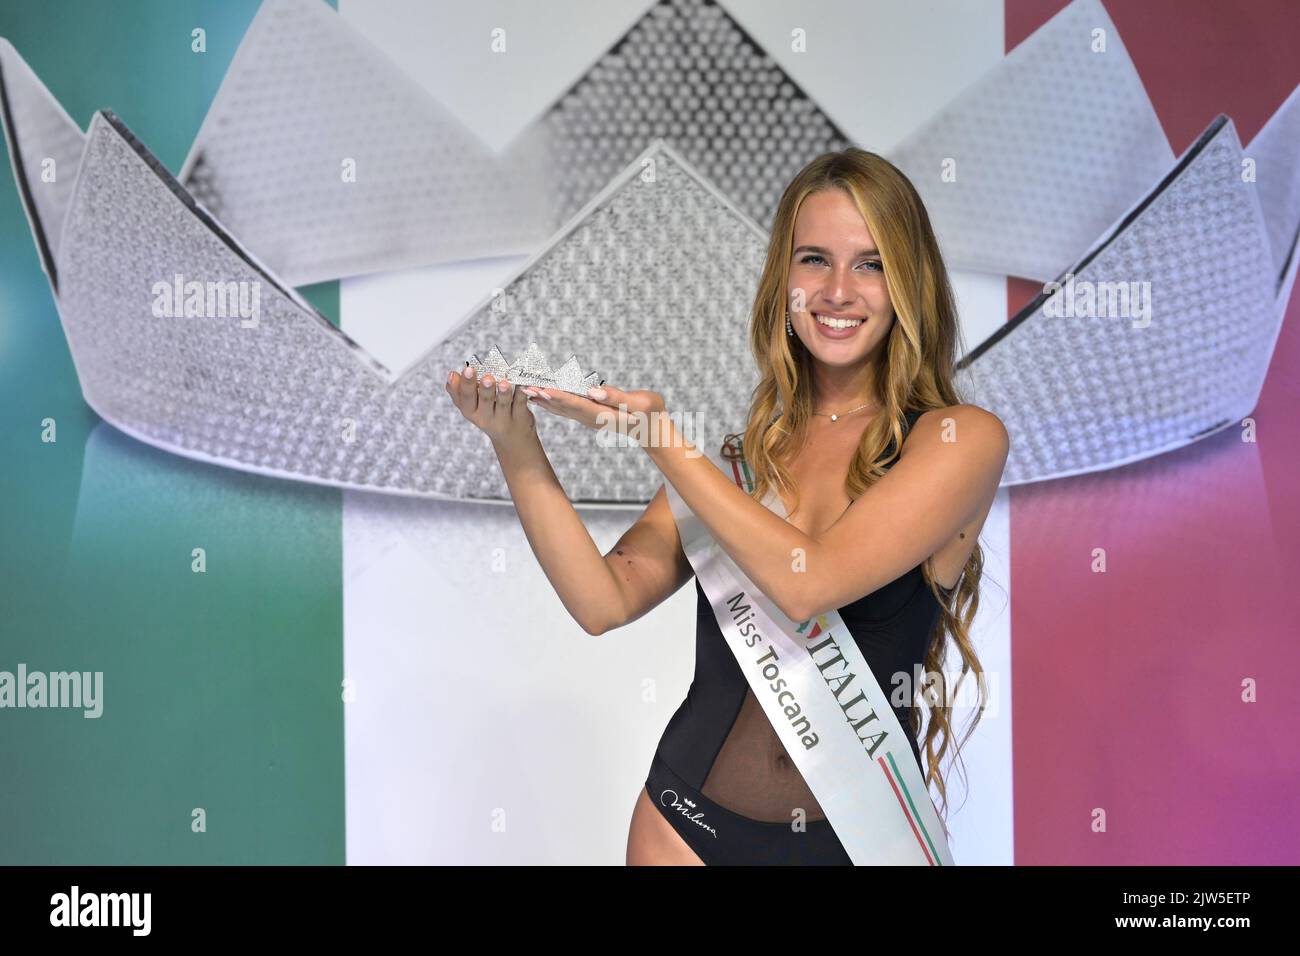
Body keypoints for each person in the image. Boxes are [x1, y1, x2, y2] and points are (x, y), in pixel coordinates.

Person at [444, 147, 1009, 865]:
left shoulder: (959, 441)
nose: (838, 290)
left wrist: (656, 436)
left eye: (870, 263)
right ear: (783, 281)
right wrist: (515, 443)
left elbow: (811, 581)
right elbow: (602, 600)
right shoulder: (743, 463)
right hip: (683, 830)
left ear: (909, 284)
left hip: (857, 846)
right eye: (813, 260)